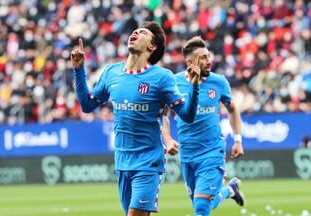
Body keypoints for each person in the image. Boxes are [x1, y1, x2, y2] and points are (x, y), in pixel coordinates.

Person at [71, 21, 201, 216]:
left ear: (151, 46)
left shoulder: (162, 77)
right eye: (135, 31)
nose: (135, 33)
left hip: (148, 162)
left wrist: (194, 86)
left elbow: (187, 115)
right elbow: (87, 105)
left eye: (142, 33)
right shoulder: (111, 73)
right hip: (122, 161)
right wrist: (78, 69)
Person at [162, 36, 245, 216]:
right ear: (190, 62)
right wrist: (168, 139)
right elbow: (164, 116)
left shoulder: (219, 82)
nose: (209, 61)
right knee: (202, 205)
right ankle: (230, 190)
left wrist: (238, 139)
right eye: (204, 58)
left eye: (209, 56)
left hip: (212, 151)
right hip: (187, 153)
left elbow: (232, 109)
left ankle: (229, 190)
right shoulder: (174, 83)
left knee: (201, 207)